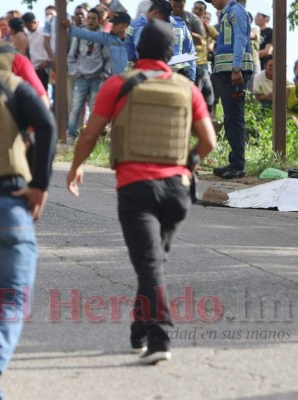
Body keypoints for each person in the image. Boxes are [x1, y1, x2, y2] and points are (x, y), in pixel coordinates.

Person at [66, 20, 216, 365]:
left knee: (150, 264)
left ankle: (159, 337)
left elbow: (89, 134)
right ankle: (138, 329)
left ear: (137, 49)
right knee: (154, 263)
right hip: (177, 192)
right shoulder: (186, 88)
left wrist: (76, 166)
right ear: (171, 53)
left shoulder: (118, 85)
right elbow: (208, 141)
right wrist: (187, 166)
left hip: (136, 189)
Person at [0, 16, 56, 400]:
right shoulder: (12, 85)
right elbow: (47, 126)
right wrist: (39, 186)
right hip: (8, 205)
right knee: (11, 297)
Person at [208, 0, 253, 179]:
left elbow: (241, 38)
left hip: (234, 74)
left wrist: (236, 68)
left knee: (234, 117)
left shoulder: (236, 11)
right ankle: (234, 161)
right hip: (227, 73)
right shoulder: (228, 13)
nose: (210, 2)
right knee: (230, 118)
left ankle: (238, 165)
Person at [67, 7, 111, 143]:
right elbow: (71, 56)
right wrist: (76, 71)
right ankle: (71, 135)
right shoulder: (80, 35)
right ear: (86, 19)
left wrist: (104, 74)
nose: (91, 21)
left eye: (94, 18)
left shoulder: (102, 37)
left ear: (99, 20)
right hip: (82, 76)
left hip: (96, 78)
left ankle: (90, 138)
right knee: (76, 107)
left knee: (94, 109)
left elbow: (108, 58)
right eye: (89, 18)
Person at [125, 0, 197, 80]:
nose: (163, 23)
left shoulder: (179, 23)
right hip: (147, 77)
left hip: (172, 76)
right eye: (162, 20)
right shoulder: (140, 27)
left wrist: (191, 77)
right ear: (156, 13)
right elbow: (143, 56)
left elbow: (191, 53)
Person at [62, 11, 131, 75]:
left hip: (133, 79)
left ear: (124, 25)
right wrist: (70, 27)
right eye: (113, 23)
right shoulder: (108, 38)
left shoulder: (136, 41)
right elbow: (88, 35)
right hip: (116, 79)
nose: (113, 26)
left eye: (116, 24)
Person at [22, 12, 52, 89]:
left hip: (45, 65)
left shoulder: (44, 31)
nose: (27, 28)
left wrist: (47, 60)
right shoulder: (27, 33)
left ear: (34, 22)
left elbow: (50, 45)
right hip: (34, 67)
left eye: (28, 25)